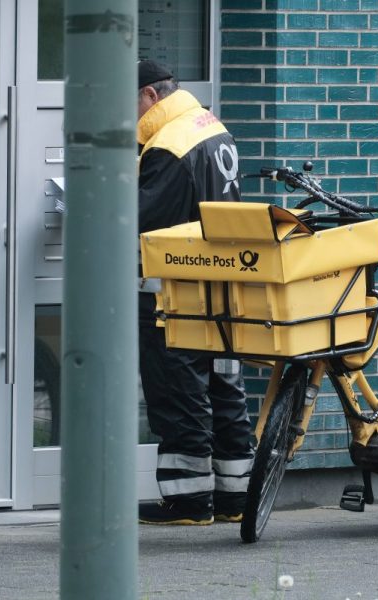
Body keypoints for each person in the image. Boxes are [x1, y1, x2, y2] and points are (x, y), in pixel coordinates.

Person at [136, 60, 253, 525]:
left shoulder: (167, 145)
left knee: (178, 388)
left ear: (149, 96)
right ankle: (233, 496)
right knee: (224, 385)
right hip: (223, 285)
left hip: (175, 290)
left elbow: (144, 218)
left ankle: (188, 500)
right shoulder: (209, 125)